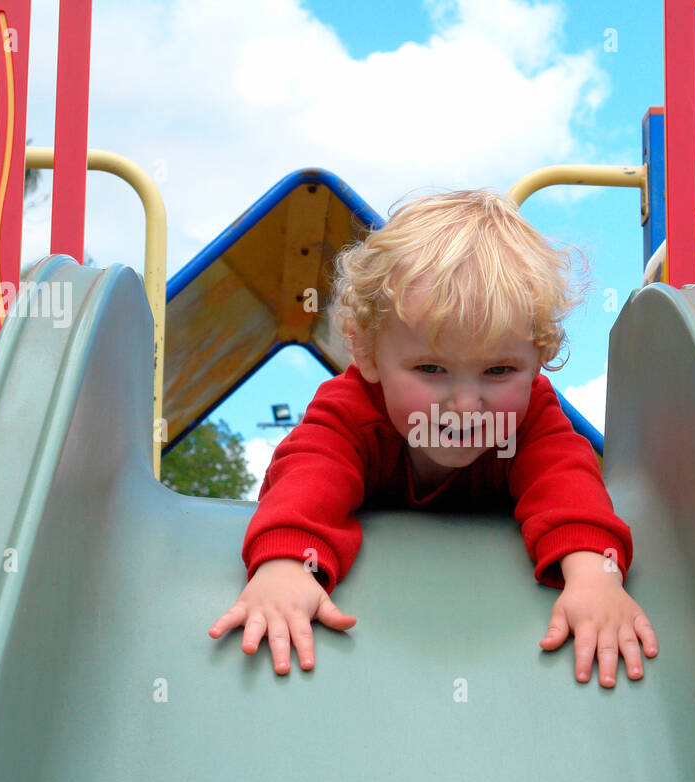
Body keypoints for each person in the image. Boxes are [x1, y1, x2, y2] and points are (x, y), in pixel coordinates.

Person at [208, 189, 658, 687]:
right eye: (431, 368)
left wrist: (596, 573)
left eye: (499, 370)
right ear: (368, 354)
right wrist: (287, 564)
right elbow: (311, 471)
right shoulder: (353, 410)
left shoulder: (532, 416)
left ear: (537, 361)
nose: (466, 404)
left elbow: (566, 479)